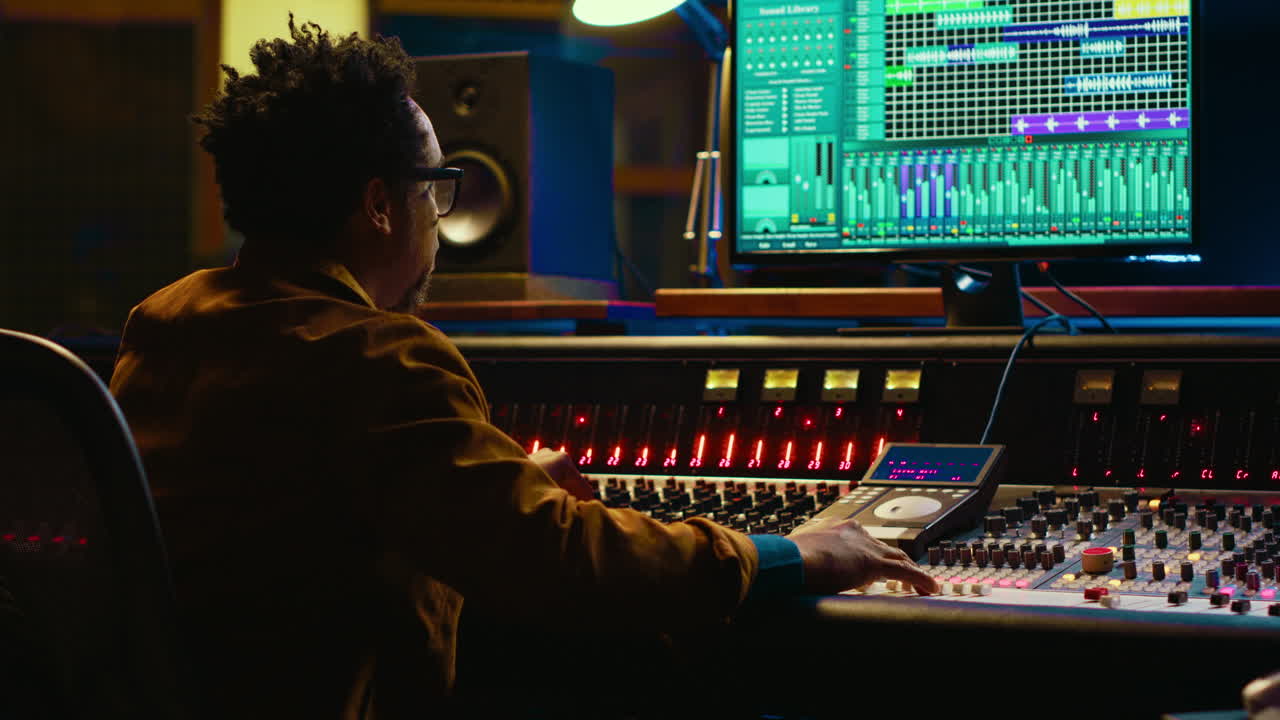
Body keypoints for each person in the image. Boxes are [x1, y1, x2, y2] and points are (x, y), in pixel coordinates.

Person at [108, 18, 938, 718]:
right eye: (434, 189)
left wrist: (499, 489)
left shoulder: (170, 322)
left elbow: (306, 527)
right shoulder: (376, 355)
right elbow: (566, 561)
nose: (438, 219)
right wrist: (795, 556)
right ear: (377, 204)